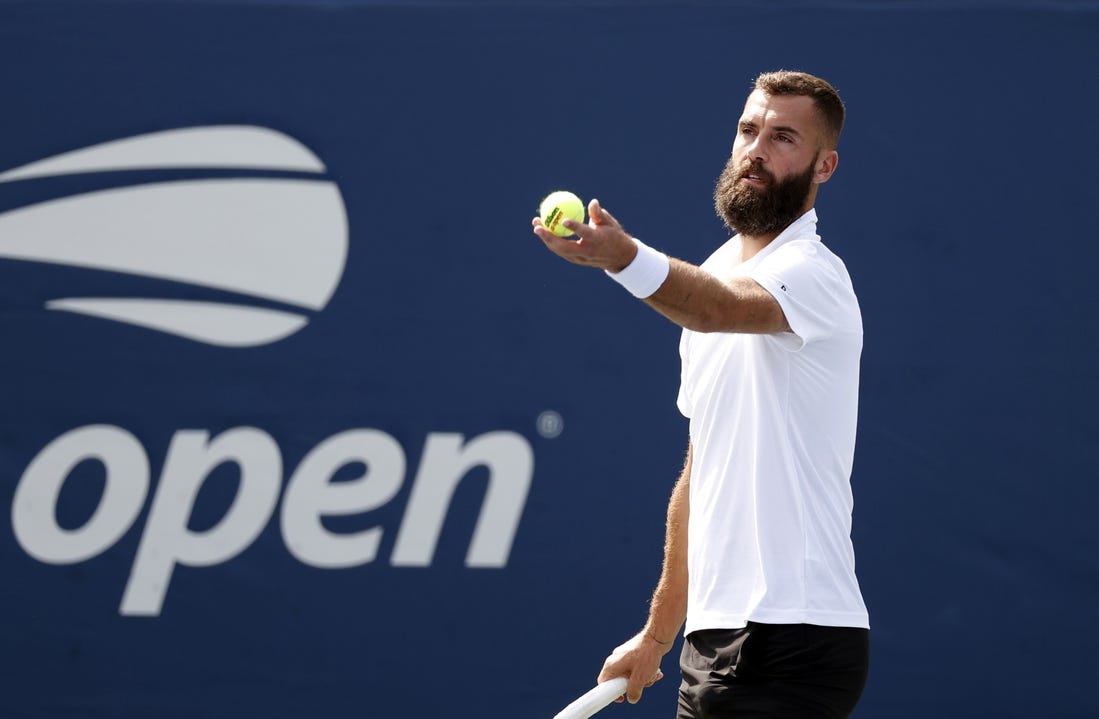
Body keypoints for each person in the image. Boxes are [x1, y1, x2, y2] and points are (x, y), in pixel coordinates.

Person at [531, 70, 870, 719]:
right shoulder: (708, 273)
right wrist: (658, 633)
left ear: (823, 165)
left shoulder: (813, 274)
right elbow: (701, 471)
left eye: (783, 138)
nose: (756, 149)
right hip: (712, 639)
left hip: (797, 635)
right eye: (748, 130)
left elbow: (715, 310)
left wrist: (622, 258)